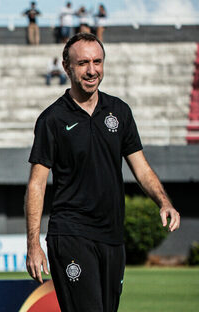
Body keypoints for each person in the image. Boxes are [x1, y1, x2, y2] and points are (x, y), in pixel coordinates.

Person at [25, 33, 180, 312]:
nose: (92, 70)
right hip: (71, 234)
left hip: (111, 236)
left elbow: (141, 167)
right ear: (66, 67)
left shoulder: (119, 112)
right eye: (83, 62)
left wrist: (164, 201)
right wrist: (33, 244)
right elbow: (37, 184)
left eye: (97, 61)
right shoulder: (52, 120)